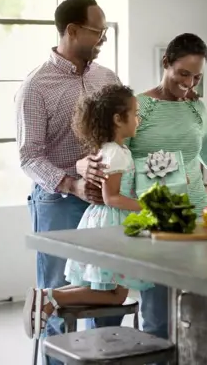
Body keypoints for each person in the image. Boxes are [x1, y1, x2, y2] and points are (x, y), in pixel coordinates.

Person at [114, 32, 207, 339]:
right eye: (183, 73)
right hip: (154, 220)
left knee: (196, 315)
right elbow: (120, 160)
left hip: (196, 217)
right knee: (158, 317)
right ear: (165, 63)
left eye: (196, 77)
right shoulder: (139, 106)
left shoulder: (198, 108)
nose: (189, 83)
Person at [15, 0, 124, 353]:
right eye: (98, 31)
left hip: (106, 204)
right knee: (59, 304)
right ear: (72, 31)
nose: (103, 39)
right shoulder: (36, 86)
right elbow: (29, 156)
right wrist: (73, 183)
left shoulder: (107, 78)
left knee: (108, 295)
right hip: (58, 203)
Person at [22, 84, 153, 338]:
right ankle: (51, 297)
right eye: (135, 113)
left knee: (97, 286)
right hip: (113, 226)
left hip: (101, 221)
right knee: (116, 293)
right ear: (118, 119)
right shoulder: (117, 153)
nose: (139, 118)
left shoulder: (108, 149)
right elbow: (111, 197)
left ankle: (46, 296)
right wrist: (147, 206)